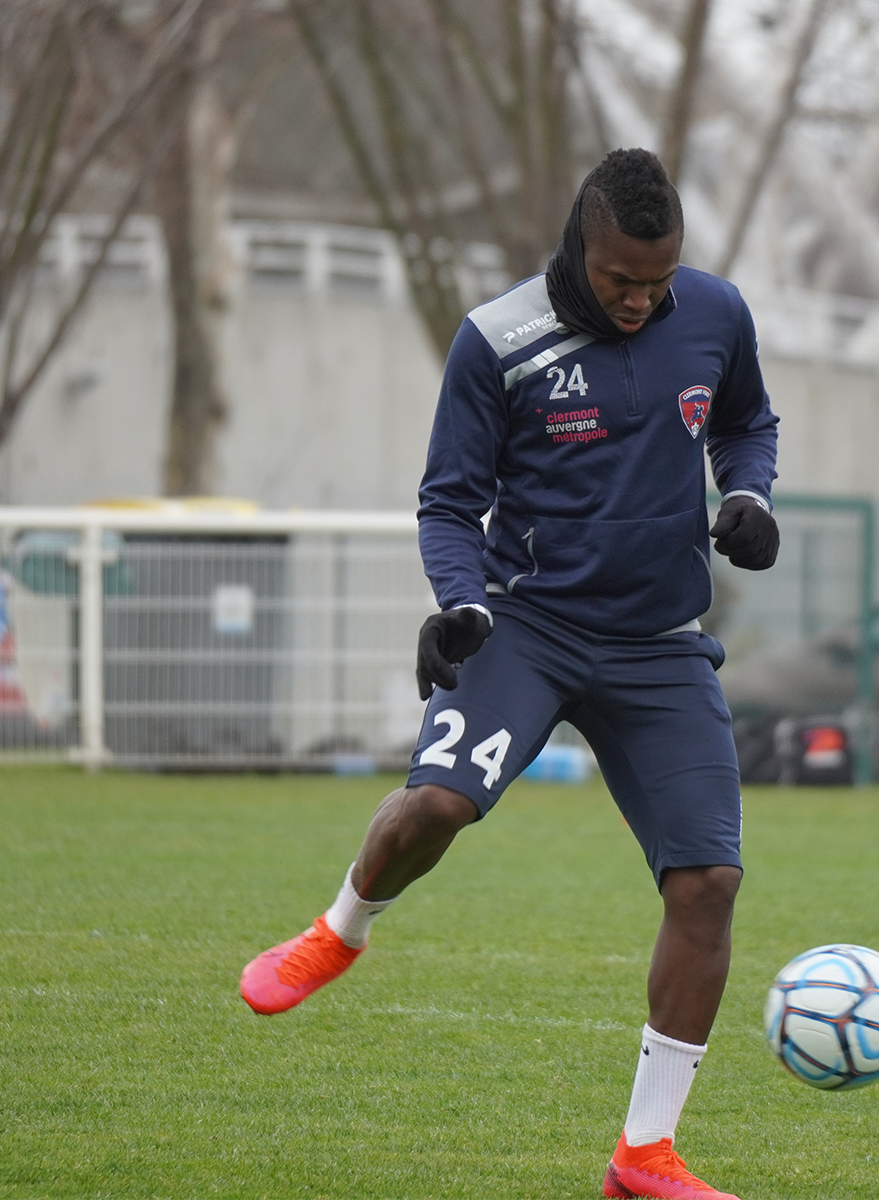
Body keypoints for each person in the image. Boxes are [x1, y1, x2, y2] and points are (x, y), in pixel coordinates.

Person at [238, 148, 778, 1200]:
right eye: (623, 280)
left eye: (658, 283)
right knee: (436, 804)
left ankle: (644, 1155)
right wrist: (461, 601)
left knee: (708, 883)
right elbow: (449, 499)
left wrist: (748, 494)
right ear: (583, 247)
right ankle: (339, 929)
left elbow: (746, 423)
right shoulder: (498, 339)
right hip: (527, 626)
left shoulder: (714, 315)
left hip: (658, 641)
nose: (641, 301)